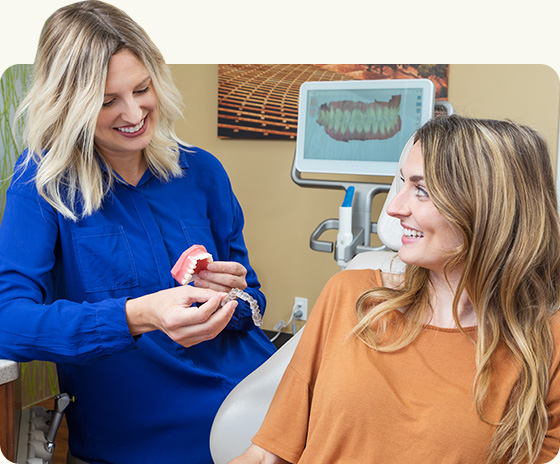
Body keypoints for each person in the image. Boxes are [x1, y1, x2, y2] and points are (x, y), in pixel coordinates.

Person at [0, 1, 275, 463]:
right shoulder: (41, 187)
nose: (134, 113)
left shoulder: (202, 172)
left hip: (257, 399)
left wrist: (231, 300)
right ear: (68, 105)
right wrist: (136, 316)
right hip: (149, 432)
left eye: (142, 89)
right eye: (107, 101)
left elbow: (255, 299)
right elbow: (8, 321)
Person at [230, 115, 560, 464]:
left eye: (422, 190)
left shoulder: (545, 344)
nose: (394, 207)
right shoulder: (352, 296)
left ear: (489, 207)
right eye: (402, 183)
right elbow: (267, 454)